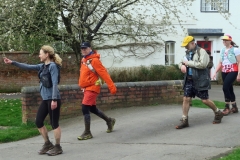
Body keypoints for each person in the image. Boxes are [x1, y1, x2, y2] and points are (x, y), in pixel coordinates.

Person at [3, 45, 63, 156]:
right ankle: (47, 143)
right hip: (46, 99)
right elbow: (27, 66)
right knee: (38, 121)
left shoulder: (53, 66)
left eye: (41, 53)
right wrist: (12, 62)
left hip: (53, 99)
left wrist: (54, 99)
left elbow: (55, 83)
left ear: (47, 54)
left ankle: (58, 147)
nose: (39, 55)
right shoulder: (42, 66)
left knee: (54, 123)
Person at [176, 36, 223, 129]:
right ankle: (184, 120)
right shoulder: (187, 52)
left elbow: (202, 65)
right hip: (189, 79)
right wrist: (181, 66)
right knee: (186, 99)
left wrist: (187, 63)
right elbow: (182, 62)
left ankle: (218, 112)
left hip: (200, 80)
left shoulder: (202, 52)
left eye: (187, 45)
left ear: (192, 43)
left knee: (204, 100)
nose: (185, 47)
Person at [77, 42, 117, 140]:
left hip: (93, 87)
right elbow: (84, 75)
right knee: (92, 108)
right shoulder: (84, 60)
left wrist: (112, 87)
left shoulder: (94, 60)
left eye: (85, 48)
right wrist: (82, 85)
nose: (83, 50)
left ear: (90, 48)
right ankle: (109, 121)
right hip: (87, 88)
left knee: (85, 107)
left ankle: (87, 132)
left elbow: (104, 74)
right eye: (82, 48)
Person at [212, 34, 240, 115]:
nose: (224, 41)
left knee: (225, 87)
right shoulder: (222, 50)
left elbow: (239, 62)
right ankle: (234, 107)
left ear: (230, 41)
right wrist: (215, 72)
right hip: (224, 70)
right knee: (229, 88)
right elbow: (220, 62)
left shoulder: (235, 50)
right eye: (223, 40)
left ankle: (227, 107)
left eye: (226, 40)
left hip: (233, 70)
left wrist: (239, 74)